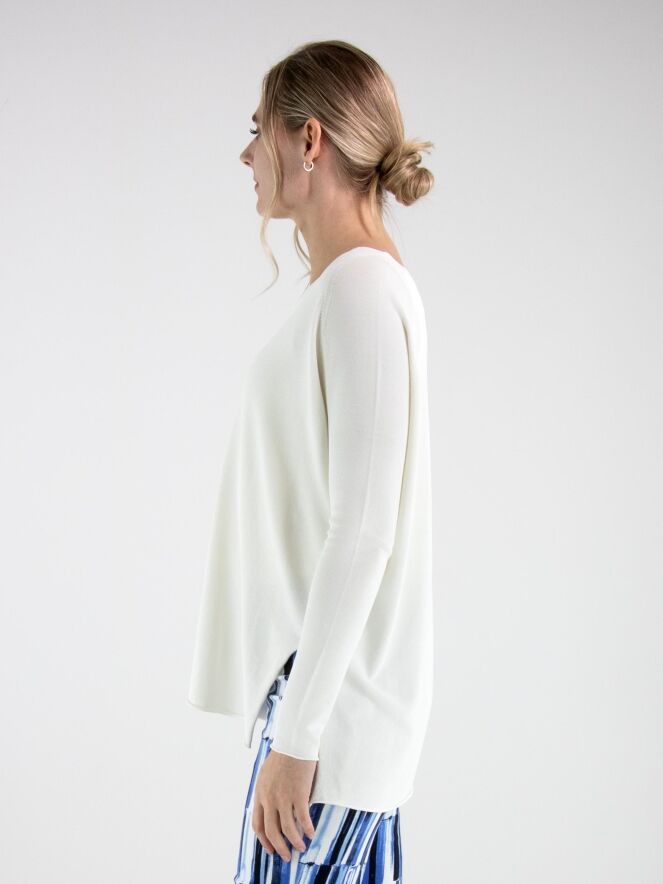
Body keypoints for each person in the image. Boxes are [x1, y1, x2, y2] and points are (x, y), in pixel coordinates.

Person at [187, 39, 435, 882]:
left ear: (310, 140)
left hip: (327, 728)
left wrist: (295, 741)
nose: (246, 155)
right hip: (323, 715)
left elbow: (362, 532)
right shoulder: (352, 288)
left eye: (256, 129)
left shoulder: (362, 288)